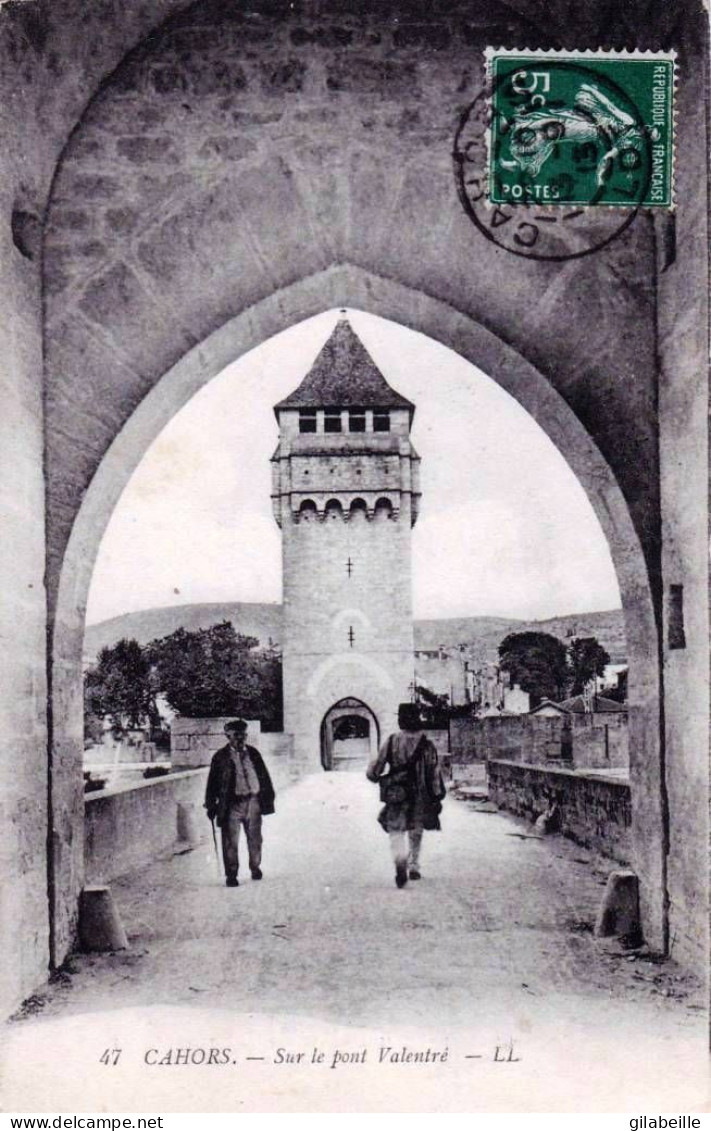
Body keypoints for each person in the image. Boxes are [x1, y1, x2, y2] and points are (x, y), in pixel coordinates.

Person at [366, 703, 446, 889]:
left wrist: (373, 774)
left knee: (395, 829)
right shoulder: (427, 744)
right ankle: (414, 865)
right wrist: (436, 796)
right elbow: (434, 772)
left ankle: (400, 859)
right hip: (420, 793)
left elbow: (377, 768)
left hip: (397, 791)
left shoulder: (392, 740)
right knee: (416, 829)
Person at [204, 719, 275, 887]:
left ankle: (255, 867)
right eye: (236, 735)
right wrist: (210, 804)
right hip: (231, 805)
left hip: (253, 802)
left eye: (243, 735)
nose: (240, 738)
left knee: (255, 839)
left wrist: (268, 798)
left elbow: (264, 776)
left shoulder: (254, 753)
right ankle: (231, 874)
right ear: (227, 735)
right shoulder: (220, 757)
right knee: (230, 841)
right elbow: (212, 783)